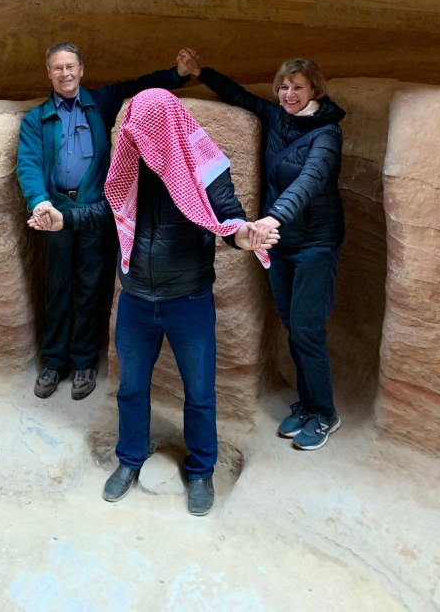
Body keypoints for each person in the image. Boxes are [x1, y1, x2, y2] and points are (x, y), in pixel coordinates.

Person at [30, 89, 278, 515]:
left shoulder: (204, 164)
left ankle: (201, 470)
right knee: (131, 388)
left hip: (188, 299)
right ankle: (130, 459)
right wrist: (64, 218)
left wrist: (244, 235)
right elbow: (106, 210)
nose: (136, 134)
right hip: (137, 299)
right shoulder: (129, 162)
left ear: (167, 125)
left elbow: (227, 217)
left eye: (145, 127)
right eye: (134, 126)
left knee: (199, 392)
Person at [178, 48, 345, 451]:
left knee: (307, 329)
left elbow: (310, 180)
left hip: (315, 244)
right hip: (282, 243)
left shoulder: (327, 134)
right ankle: (307, 402)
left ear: (314, 90)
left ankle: (325, 413)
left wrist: (274, 217)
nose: (289, 94)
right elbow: (239, 96)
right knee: (292, 324)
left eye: (297, 87)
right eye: (283, 87)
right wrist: (202, 73)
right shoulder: (276, 117)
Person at [17, 43, 191, 401]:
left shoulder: (100, 103)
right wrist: (40, 202)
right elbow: (29, 164)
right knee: (57, 288)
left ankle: (83, 361)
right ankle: (54, 361)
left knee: (90, 287)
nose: (65, 74)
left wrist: (178, 75)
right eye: (58, 68)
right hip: (55, 211)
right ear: (48, 73)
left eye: (71, 67)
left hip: (94, 211)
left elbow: (139, 86)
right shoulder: (36, 119)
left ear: (82, 69)